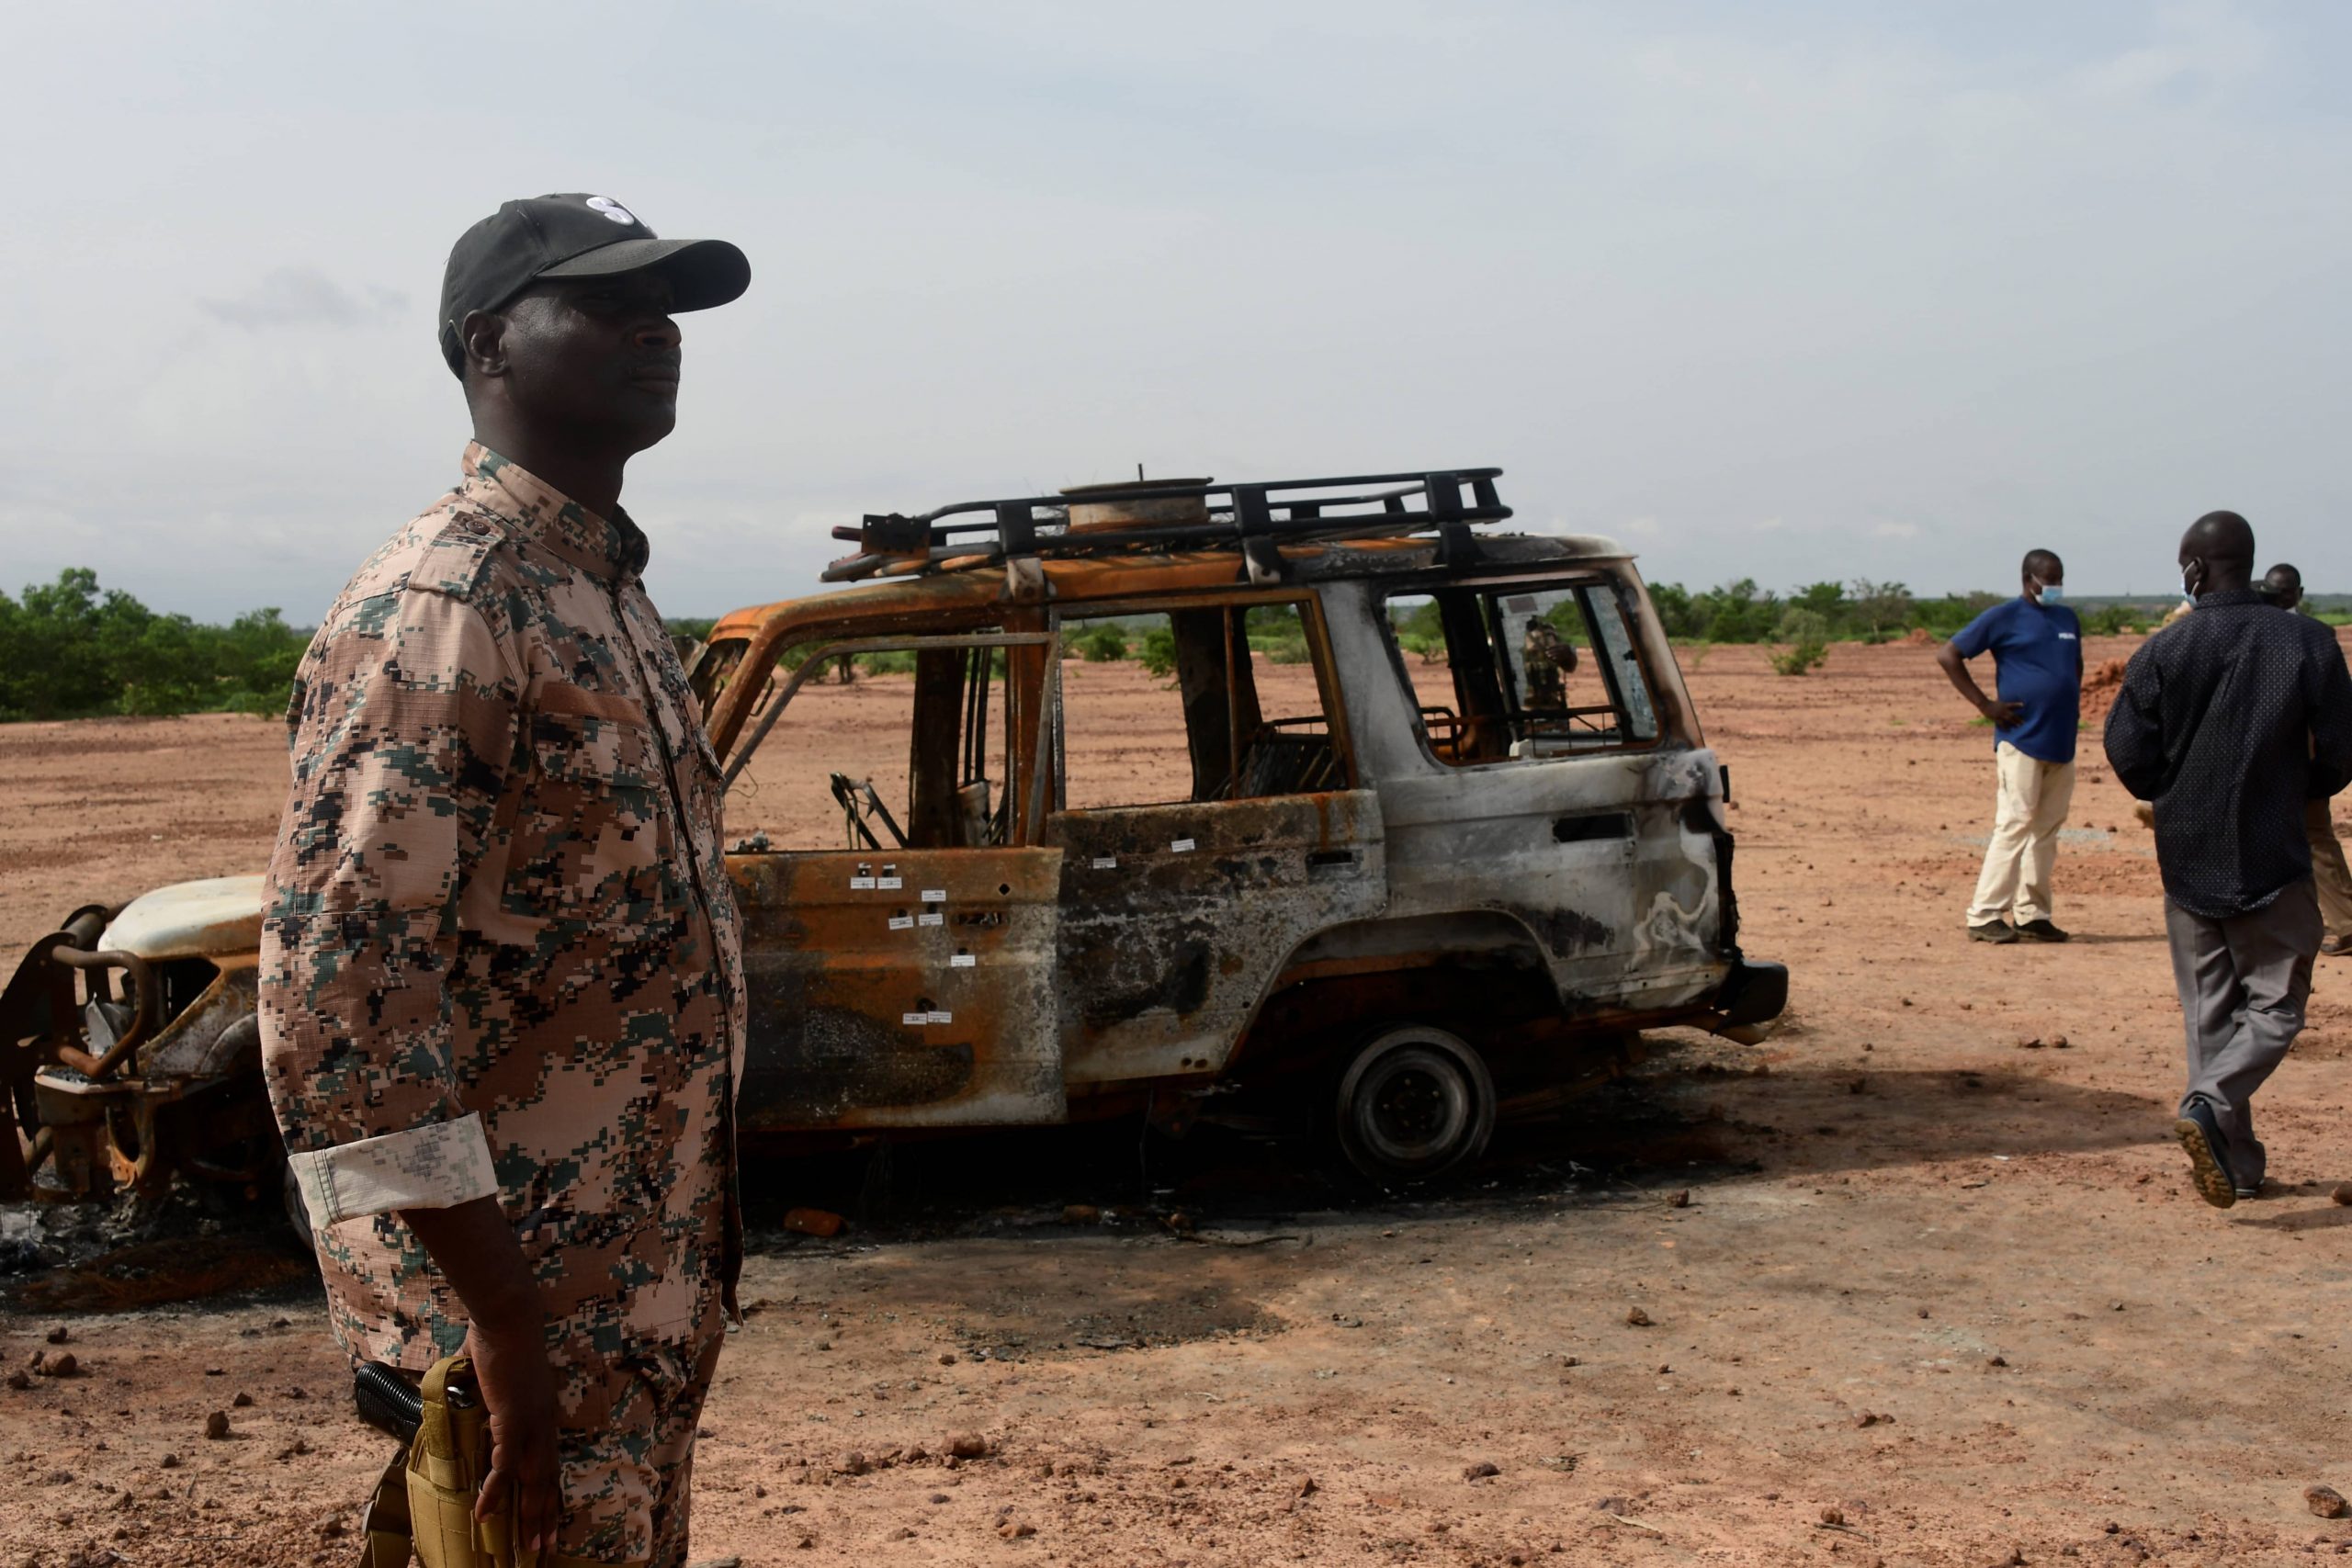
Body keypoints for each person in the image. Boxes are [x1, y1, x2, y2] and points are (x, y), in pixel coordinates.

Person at [258, 193, 751, 1564]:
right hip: (509, 1315)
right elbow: (336, 1014)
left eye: (667, 306)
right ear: (487, 343)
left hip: (624, 1299)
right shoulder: (449, 604)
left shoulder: (601, 590)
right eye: (602, 303)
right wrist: (505, 1320)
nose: (654, 329)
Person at [2105, 513, 2352, 1208]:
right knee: (2276, 1007)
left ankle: (2237, 1164)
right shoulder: (2308, 641)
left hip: (2187, 860)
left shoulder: (2165, 650)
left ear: (2192, 568)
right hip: (2275, 854)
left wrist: (2180, 795)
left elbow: (2128, 752)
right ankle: (2212, 1107)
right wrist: (2294, 790)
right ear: (2248, 562)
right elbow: (2338, 750)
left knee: (2209, 1014)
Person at [1937, 549, 2084, 943]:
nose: (2055, 587)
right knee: (2015, 823)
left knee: (2047, 829)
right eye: (2048, 580)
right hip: (2021, 739)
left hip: (2061, 740)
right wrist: (1985, 705)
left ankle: (2032, 913)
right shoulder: (2004, 617)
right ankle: (1984, 914)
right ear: (2028, 579)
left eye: (2059, 579)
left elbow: (2074, 670)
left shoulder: (2067, 618)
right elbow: (1949, 654)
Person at [2260, 563, 2352, 956]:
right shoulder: (2258, 631)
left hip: (2302, 758)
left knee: (2315, 837)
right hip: (2265, 755)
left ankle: (2346, 924)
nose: (2282, 599)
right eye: (2275, 592)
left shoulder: (2318, 636)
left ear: (2298, 593)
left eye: (2287, 592)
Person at [1521, 614, 1575, 709]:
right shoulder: (1503, 632)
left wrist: (1567, 654)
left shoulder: (1548, 631)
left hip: (1551, 705)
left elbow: (1570, 667)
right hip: (1521, 710)